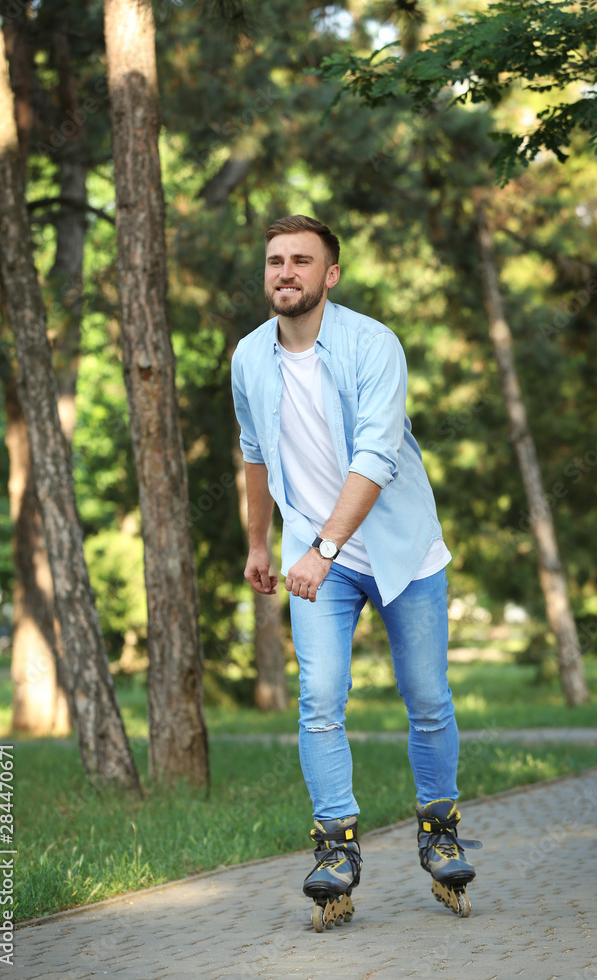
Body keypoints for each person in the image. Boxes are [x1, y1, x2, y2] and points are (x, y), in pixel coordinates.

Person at [230, 214, 480, 931]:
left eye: (301, 260)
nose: (285, 272)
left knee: (427, 699)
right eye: (275, 260)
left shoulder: (373, 345)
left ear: (330, 275)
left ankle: (439, 831)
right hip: (319, 563)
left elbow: (376, 455)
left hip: (401, 552)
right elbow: (254, 451)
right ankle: (335, 848)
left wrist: (324, 548)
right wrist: (258, 543)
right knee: (320, 701)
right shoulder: (249, 356)